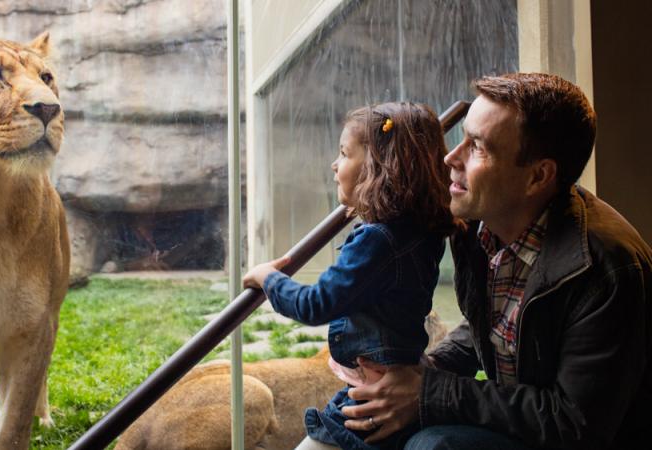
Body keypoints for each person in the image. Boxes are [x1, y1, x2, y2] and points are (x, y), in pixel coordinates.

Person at [340, 73, 652, 450]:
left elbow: (573, 423)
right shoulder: (477, 224)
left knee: (434, 446)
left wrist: (427, 392)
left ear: (538, 176)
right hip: (525, 423)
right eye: (461, 139)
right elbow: (495, 329)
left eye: (478, 147)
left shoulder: (607, 269)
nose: (450, 158)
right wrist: (415, 370)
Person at [243, 101, 457, 449]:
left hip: (372, 397)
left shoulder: (378, 241)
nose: (334, 163)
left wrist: (268, 280)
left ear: (378, 169)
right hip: (387, 379)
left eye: (344, 153)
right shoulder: (420, 230)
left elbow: (316, 304)